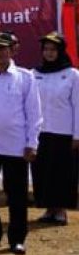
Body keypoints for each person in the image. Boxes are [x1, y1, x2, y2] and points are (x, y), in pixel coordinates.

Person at [0, 32, 40, 255]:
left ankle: (17, 239)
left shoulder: (25, 77)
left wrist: (32, 143)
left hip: (16, 147)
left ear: (11, 51)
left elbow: (34, 113)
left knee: (16, 195)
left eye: (3, 49)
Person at [31, 31, 79, 226]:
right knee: (42, 171)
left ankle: (60, 211)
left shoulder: (72, 75)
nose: (49, 53)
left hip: (64, 133)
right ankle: (49, 209)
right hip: (40, 132)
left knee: (62, 172)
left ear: (61, 51)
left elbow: (78, 106)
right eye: (46, 50)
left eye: (53, 50)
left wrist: (77, 134)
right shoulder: (35, 74)